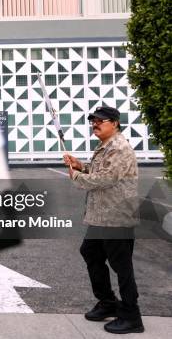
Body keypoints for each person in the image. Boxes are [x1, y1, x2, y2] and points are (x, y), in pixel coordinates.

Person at [64, 106, 144, 334]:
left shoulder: (119, 148)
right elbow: (99, 171)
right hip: (101, 216)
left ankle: (132, 316)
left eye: (100, 121)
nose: (95, 124)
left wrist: (77, 175)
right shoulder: (105, 147)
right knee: (90, 252)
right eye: (93, 121)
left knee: (122, 267)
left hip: (117, 217)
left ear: (115, 123)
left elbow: (106, 179)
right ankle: (108, 302)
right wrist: (81, 165)